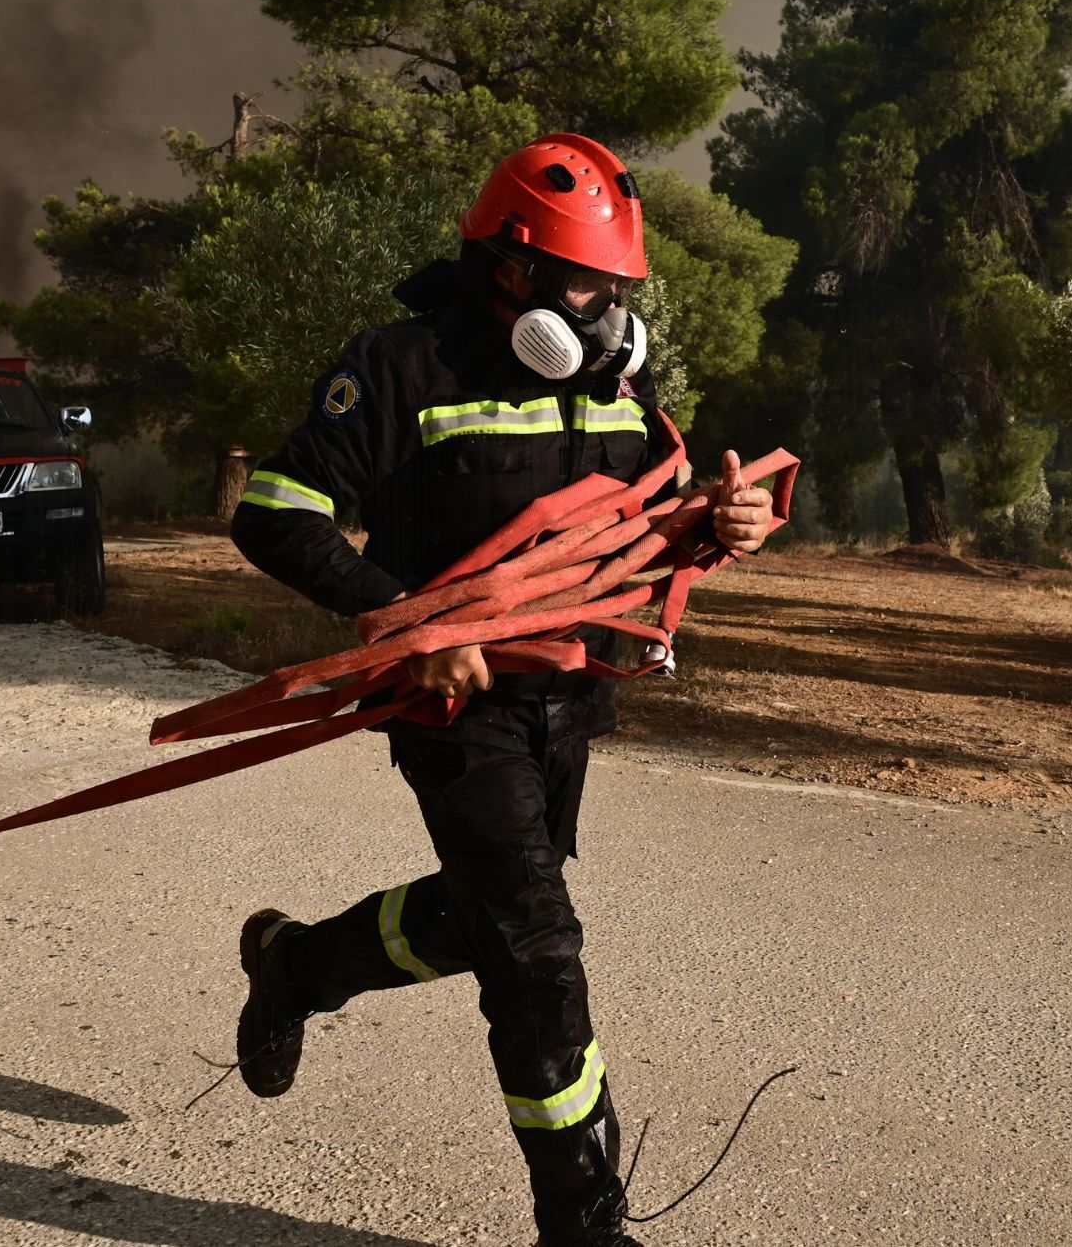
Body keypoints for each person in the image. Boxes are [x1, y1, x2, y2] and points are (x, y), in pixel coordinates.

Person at [228, 133, 775, 1246]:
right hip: (448, 704)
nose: (608, 314)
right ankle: (583, 1222)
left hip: (567, 700)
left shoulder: (617, 378)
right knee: (536, 951)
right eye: (587, 287)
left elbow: (638, 525)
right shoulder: (398, 367)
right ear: (510, 270)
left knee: (493, 922)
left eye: (620, 291)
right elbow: (272, 512)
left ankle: (296, 966)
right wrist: (402, 620)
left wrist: (723, 530)